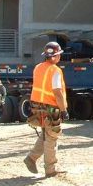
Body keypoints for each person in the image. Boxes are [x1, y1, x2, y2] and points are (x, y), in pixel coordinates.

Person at [24, 42, 68, 177]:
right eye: (59, 55)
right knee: (52, 137)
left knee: (46, 133)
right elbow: (57, 92)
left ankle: (31, 158)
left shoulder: (38, 68)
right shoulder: (55, 70)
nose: (60, 57)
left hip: (37, 106)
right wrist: (63, 110)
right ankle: (50, 169)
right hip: (50, 108)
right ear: (54, 56)